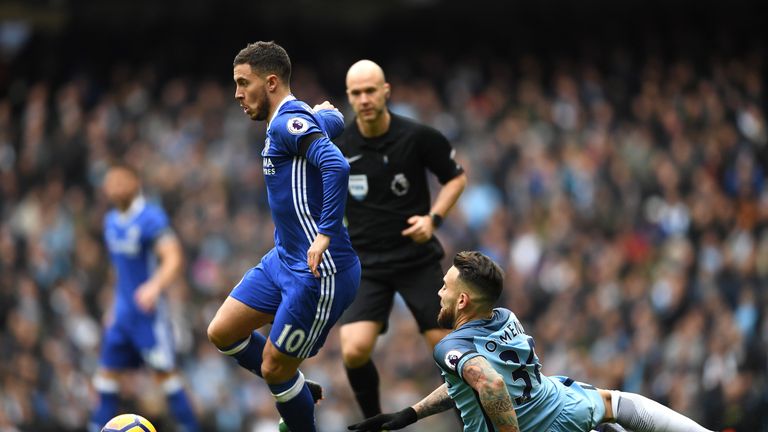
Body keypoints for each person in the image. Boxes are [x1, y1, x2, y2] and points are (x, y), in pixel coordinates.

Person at [348, 251, 716, 432]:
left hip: (536, 427)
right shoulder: (505, 317)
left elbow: (489, 382)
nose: (439, 291)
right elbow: (471, 383)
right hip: (558, 399)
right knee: (615, 402)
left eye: (445, 286)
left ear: (462, 301)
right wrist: (410, 414)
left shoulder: (449, 346)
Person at [206, 41, 360, 432]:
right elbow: (327, 125)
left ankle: (292, 396)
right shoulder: (293, 120)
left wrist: (325, 233)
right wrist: (327, 116)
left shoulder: (284, 121)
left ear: (271, 82)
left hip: (318, 271)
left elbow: (336, 165)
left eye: (244, 83)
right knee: (222, 332)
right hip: (282, 259)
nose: (238, 94)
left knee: (274, 368)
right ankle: (296, 389)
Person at [335, 59, 467, 420]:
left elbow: (455, 178)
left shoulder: (417, 137)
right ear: (348, 96)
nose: (363, 99)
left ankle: (473, 425)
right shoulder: (338, 144)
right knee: (353, 350)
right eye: (356, 93)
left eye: (370, 91)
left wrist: (433, 219)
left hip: (415, 259)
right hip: (366, 265)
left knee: (450, 354)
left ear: (386, 91)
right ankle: (375, 423)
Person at [89, 164, 199, 432]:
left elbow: (173, 257)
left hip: (148, 316)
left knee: (167, 379)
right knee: (105, 380)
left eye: (119, 180)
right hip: (122, 314)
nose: (113, 187)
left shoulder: (151, 218)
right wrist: (113, 303)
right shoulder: (111, 221)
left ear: (135, 182)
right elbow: (120, 269)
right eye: (109, 182)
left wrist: (154, 286)